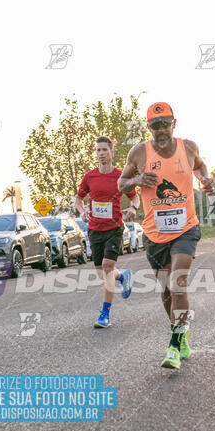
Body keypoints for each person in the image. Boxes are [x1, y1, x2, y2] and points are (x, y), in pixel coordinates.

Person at [118, 102, 214, 369]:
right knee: (167, 290)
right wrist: (137, 181)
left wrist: (205, 180)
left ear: (174, 123)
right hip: (154, 232)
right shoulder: (139, 153)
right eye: (155, 125)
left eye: (165, 123)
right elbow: (121, 183)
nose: (160, 129)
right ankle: (181, 333)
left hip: (186, 227)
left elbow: (201, 166)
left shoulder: (189, 147)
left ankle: (173, 346)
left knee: (179, 281)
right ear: (148, 127)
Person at [75, 136, 140, 328]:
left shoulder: (120, 177)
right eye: (98, 150)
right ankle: (123, 276)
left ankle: (105, 314)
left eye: (104, 150)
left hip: (114, 228)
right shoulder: (89, 177)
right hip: (95, 230)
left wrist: (133, 209)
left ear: (112, 152)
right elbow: (78, 199)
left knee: (107, 267)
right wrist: (82, 212)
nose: (101, 153)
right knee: (101, 273)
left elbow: (135, 198)